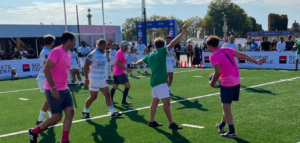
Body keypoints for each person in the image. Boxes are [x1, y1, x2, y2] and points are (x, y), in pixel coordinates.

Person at [207, 36, 266, 138]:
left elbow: (217, 72)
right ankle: (221, 125)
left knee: (227, 107)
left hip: (227, 82)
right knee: (226, 106)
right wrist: (257, 61)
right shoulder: (227, 49)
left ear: (209, 46)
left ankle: (232, 131)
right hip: (237, 80)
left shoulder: (213, 56)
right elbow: (242, 55)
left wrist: (212, 83)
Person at [133, 24, 188, 130]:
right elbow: (172, 43)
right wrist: (182, 33)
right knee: (166, 103)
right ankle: (171, 123)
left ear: (154, 45)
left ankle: (151, 121)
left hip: (154, 81)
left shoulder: (151, 54)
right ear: (162, 45)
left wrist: (135, 64)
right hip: (160, 82)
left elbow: (141, 61)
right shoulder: (162, 51)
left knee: (155, 101)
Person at [29, 31, 77, 143]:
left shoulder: (69, 54)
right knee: (56, 117)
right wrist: (53, 87)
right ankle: (34, 132)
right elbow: (46, 69)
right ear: (69, 41)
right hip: (54, 89)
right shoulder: (57, 51)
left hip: (64, 88)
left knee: (70, 112)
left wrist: (72, 77)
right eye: (74, 41)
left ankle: (65, 140)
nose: (75, 43)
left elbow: (63, 69)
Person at [81, 39, 123, 119]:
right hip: (94, 79)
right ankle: (85, 110)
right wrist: (86, 78)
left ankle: (113, 112)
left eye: (105, 46)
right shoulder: (93, 54)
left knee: (107, 95)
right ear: (98, 45)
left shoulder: (103, 54)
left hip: (102, 78)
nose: (104, 48)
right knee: (93, 97)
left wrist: (103, 77)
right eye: (103, 46)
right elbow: (85, 66)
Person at [35, 34, 55, 126]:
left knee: (49, 100)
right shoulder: (47, 52)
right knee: (50, 100)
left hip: (43, 77)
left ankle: (51, 118)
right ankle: (40, 120)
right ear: (52, 42)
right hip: (45, 78)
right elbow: (47, 65)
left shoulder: (46, 51)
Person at [110, 41, 132, 106]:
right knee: (128, 86)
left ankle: (110, 101)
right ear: (122, 46)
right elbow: (118, 63)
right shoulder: (121, 53)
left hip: (115, 73)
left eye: (127, 46)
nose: (126, 47)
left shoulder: (120, 52)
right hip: (120, 73)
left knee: (114, 87)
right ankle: (123, 102)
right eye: (125, 46)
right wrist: (126, 69)